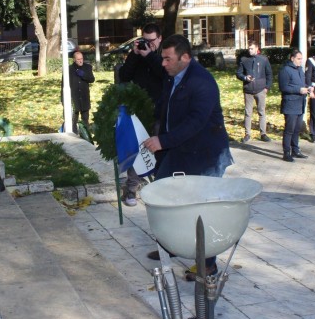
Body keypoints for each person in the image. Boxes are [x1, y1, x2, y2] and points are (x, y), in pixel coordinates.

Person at [142, 35, 232, 280]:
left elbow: (195, 123)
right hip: (180, 150)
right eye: (162, 58)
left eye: (167, 59)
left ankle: (208, 265)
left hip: (205, 155)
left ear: (185, 58)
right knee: (162, 194)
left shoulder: (202, 82)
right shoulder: (175, 77)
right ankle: (173, 245)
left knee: (199, 210)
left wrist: (162, 141)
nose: (163, 64)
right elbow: (165, 108)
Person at [117, 23, 166, 207]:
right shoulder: (138, 55)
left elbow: (164, 75)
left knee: (160, 151)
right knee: (138, 150)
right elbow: (124, 75)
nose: (148, 44)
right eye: (144, 40)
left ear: (159, 38)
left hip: (160, 112)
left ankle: (160, 187)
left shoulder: (164, 55)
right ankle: (131, 189)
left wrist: (150, 56)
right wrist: (134, 55)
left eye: (151, 41)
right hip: (139, 110)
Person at [235, 42, 273, 143]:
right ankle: (247, 134)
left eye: (251, 48)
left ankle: (263, 133)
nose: (249, 50)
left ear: (257, 48)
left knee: (261, 112)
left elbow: (269, 74)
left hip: (260, 90)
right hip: (248, 90)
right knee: (248, 113)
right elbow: (238, 73)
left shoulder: (263, 59)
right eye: (249, 48)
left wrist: (267, 87)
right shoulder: (244, 59)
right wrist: (245, 77)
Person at [280, 49, 312, 162]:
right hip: (290, 104)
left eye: (301, 59)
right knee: (289, 129)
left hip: (300, 103)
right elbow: (284, 87)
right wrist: (299, 90)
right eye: (298, 59)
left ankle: (295, 149)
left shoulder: (300, 70)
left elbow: (303, 83)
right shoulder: (285, 70)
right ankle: (286, 152)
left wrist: (308, 88)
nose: (300, 61)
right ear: (292, 58)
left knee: (297, 129)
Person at [67, 50, 96, 130]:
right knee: (73, 121)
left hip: (84, 98)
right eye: (78, 59)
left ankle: (86, 138)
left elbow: (92, 79)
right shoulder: (69, 69)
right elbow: (64, 84)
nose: (80, 61)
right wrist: (63, 100)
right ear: (74, 59)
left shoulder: (87, 67)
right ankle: (74, 135)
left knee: (85, 120)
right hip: (74, 99)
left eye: (81, 59)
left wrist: (83, 75)